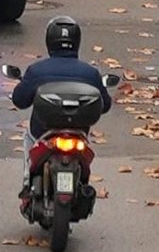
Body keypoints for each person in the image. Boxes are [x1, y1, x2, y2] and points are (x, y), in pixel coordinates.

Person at [11, 15, 111, 200]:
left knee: (27, 138)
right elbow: (105, 106)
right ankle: (83, 181)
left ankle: (27, 183)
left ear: (49, 41)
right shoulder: (91, 73)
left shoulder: (36, 71)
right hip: (79, 134)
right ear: (77, 41)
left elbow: (20, 100)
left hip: (41, 133)